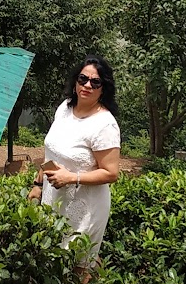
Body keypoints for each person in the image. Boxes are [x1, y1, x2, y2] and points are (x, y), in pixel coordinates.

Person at [29, 57, 121, 264]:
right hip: (55, 199)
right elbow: (52, 152)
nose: (87, 85)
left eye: (95, 82)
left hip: (84, 207)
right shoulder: (65, 109)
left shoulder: (105, 125)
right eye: (83, 79)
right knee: (56, 260)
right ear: (75, 82)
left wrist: (71, 177)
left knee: (80, 265)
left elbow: (111, 173)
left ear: (103, 88)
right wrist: (38, 184)